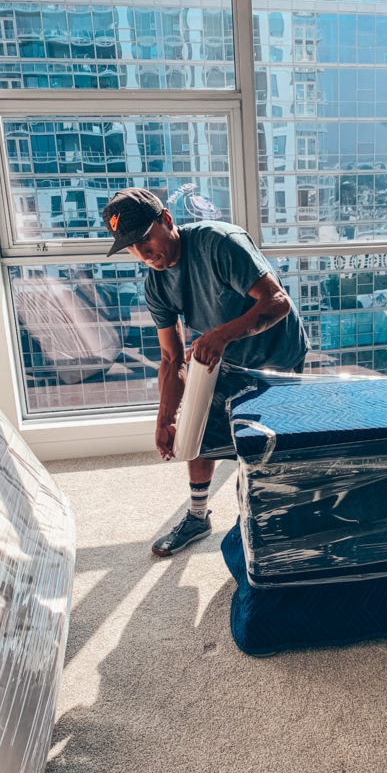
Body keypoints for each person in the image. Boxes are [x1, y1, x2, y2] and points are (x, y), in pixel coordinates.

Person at [103, 187, 309, 555]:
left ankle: (270, 521)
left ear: (166, 220)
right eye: (131, 247)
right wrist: (166, 418)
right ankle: (198, 517)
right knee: (195, 430)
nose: (143, 254)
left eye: (145, 239)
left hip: (277, 356)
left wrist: (221, 334)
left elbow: (277, 302)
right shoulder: (156, 285)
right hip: (227, 358)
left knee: (268, 450)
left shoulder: (219, 242)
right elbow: (170, 358)